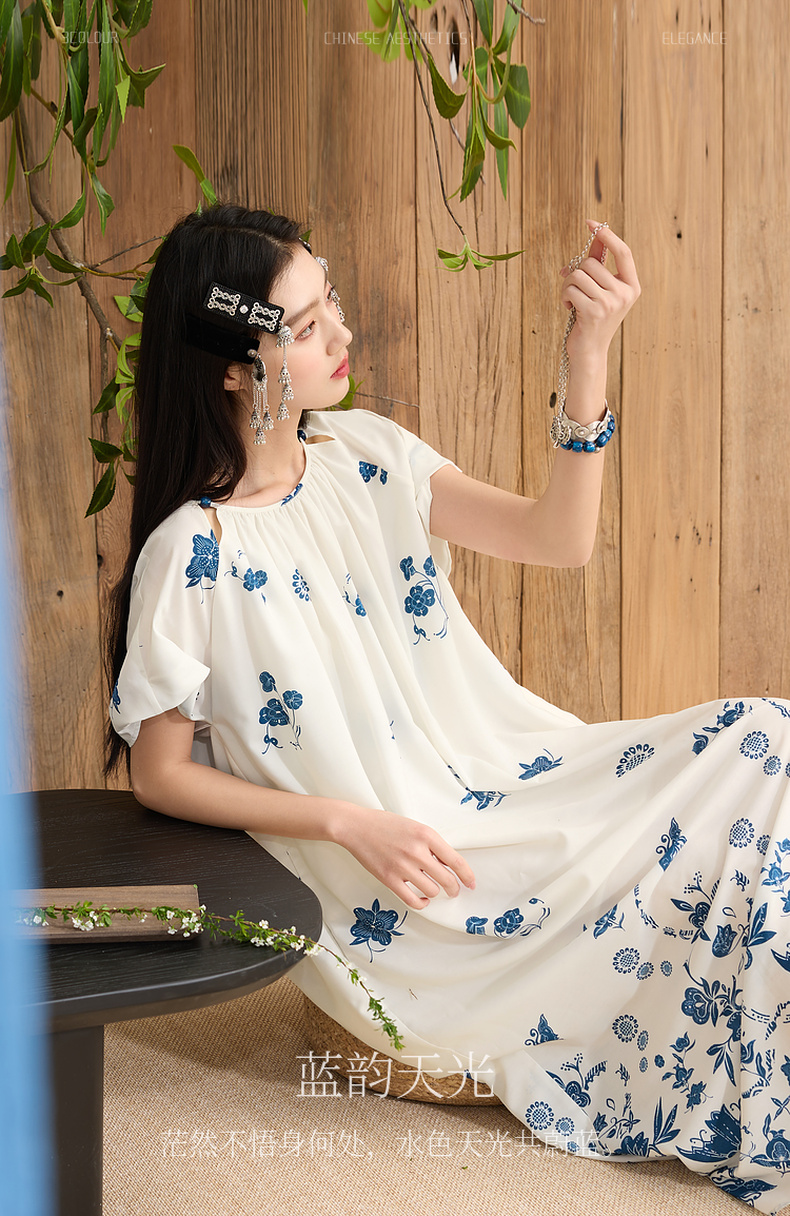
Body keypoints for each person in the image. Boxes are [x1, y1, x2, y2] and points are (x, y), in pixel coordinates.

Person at [108, 203, 790, 1212]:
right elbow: (160, 773)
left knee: (765, 738)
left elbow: (557, 539)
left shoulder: (368, 455)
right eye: (306, 326)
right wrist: (348, 823)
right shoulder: (192, 551)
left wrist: (589, 353)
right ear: (233, 370)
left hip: (507, 775)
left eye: (331, 302)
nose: (341, 333)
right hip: (412, 876)